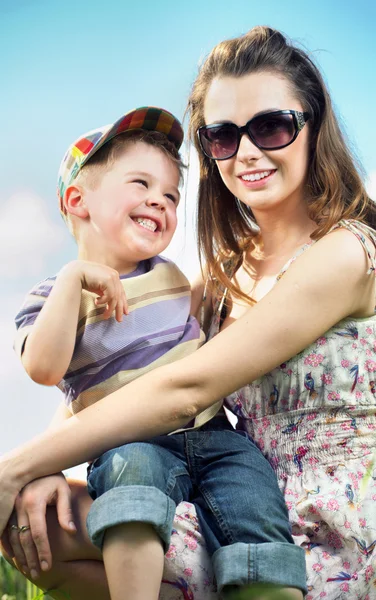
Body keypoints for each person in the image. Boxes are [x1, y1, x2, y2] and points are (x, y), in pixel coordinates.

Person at [1, 24, 376, 600]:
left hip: (334, 528)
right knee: (37, 521)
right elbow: (130, 368)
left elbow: (185, 387)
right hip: (232, 507)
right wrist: (45, 468)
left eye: (271, 126)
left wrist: (13, 467)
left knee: (38, 506)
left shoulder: (348, 251)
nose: (247, 152)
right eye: (223, 137)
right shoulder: (225, 273)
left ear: (314, 127)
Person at [2, 104, 305, 600]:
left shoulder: (172, 277)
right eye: (140, 185)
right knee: (131, 491)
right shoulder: (52, 296)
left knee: (254, 501)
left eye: (171, 194)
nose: (160, 202)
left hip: (214, 437)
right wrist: (74, 280)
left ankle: (266, 588)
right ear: (79, 200)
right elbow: (44, 368)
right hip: (132, 443)